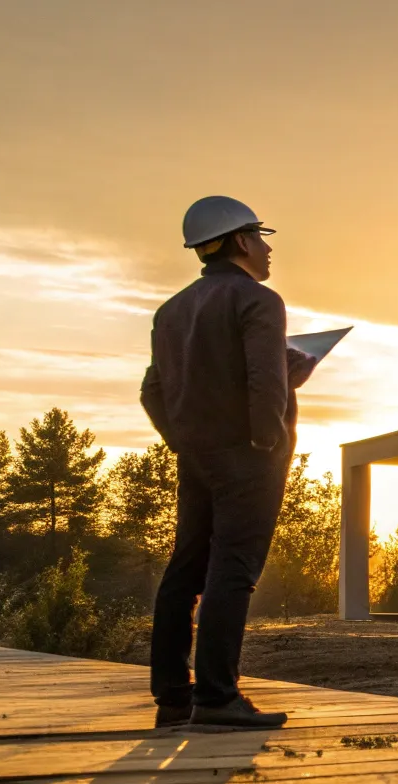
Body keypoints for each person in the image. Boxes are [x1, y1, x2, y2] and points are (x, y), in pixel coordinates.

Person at [140, 197, 318, 729]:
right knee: (232, 570)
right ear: (241, 241)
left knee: (185, 568)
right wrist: (268, 435)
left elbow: (152, 391)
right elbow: (265, 380)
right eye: (262, 239)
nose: (267, 251)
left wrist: (181, 439)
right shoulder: (259, 301)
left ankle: (174, 697)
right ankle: (217, 697)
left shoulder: (170, 311)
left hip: (196, 454)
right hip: (248, 456)